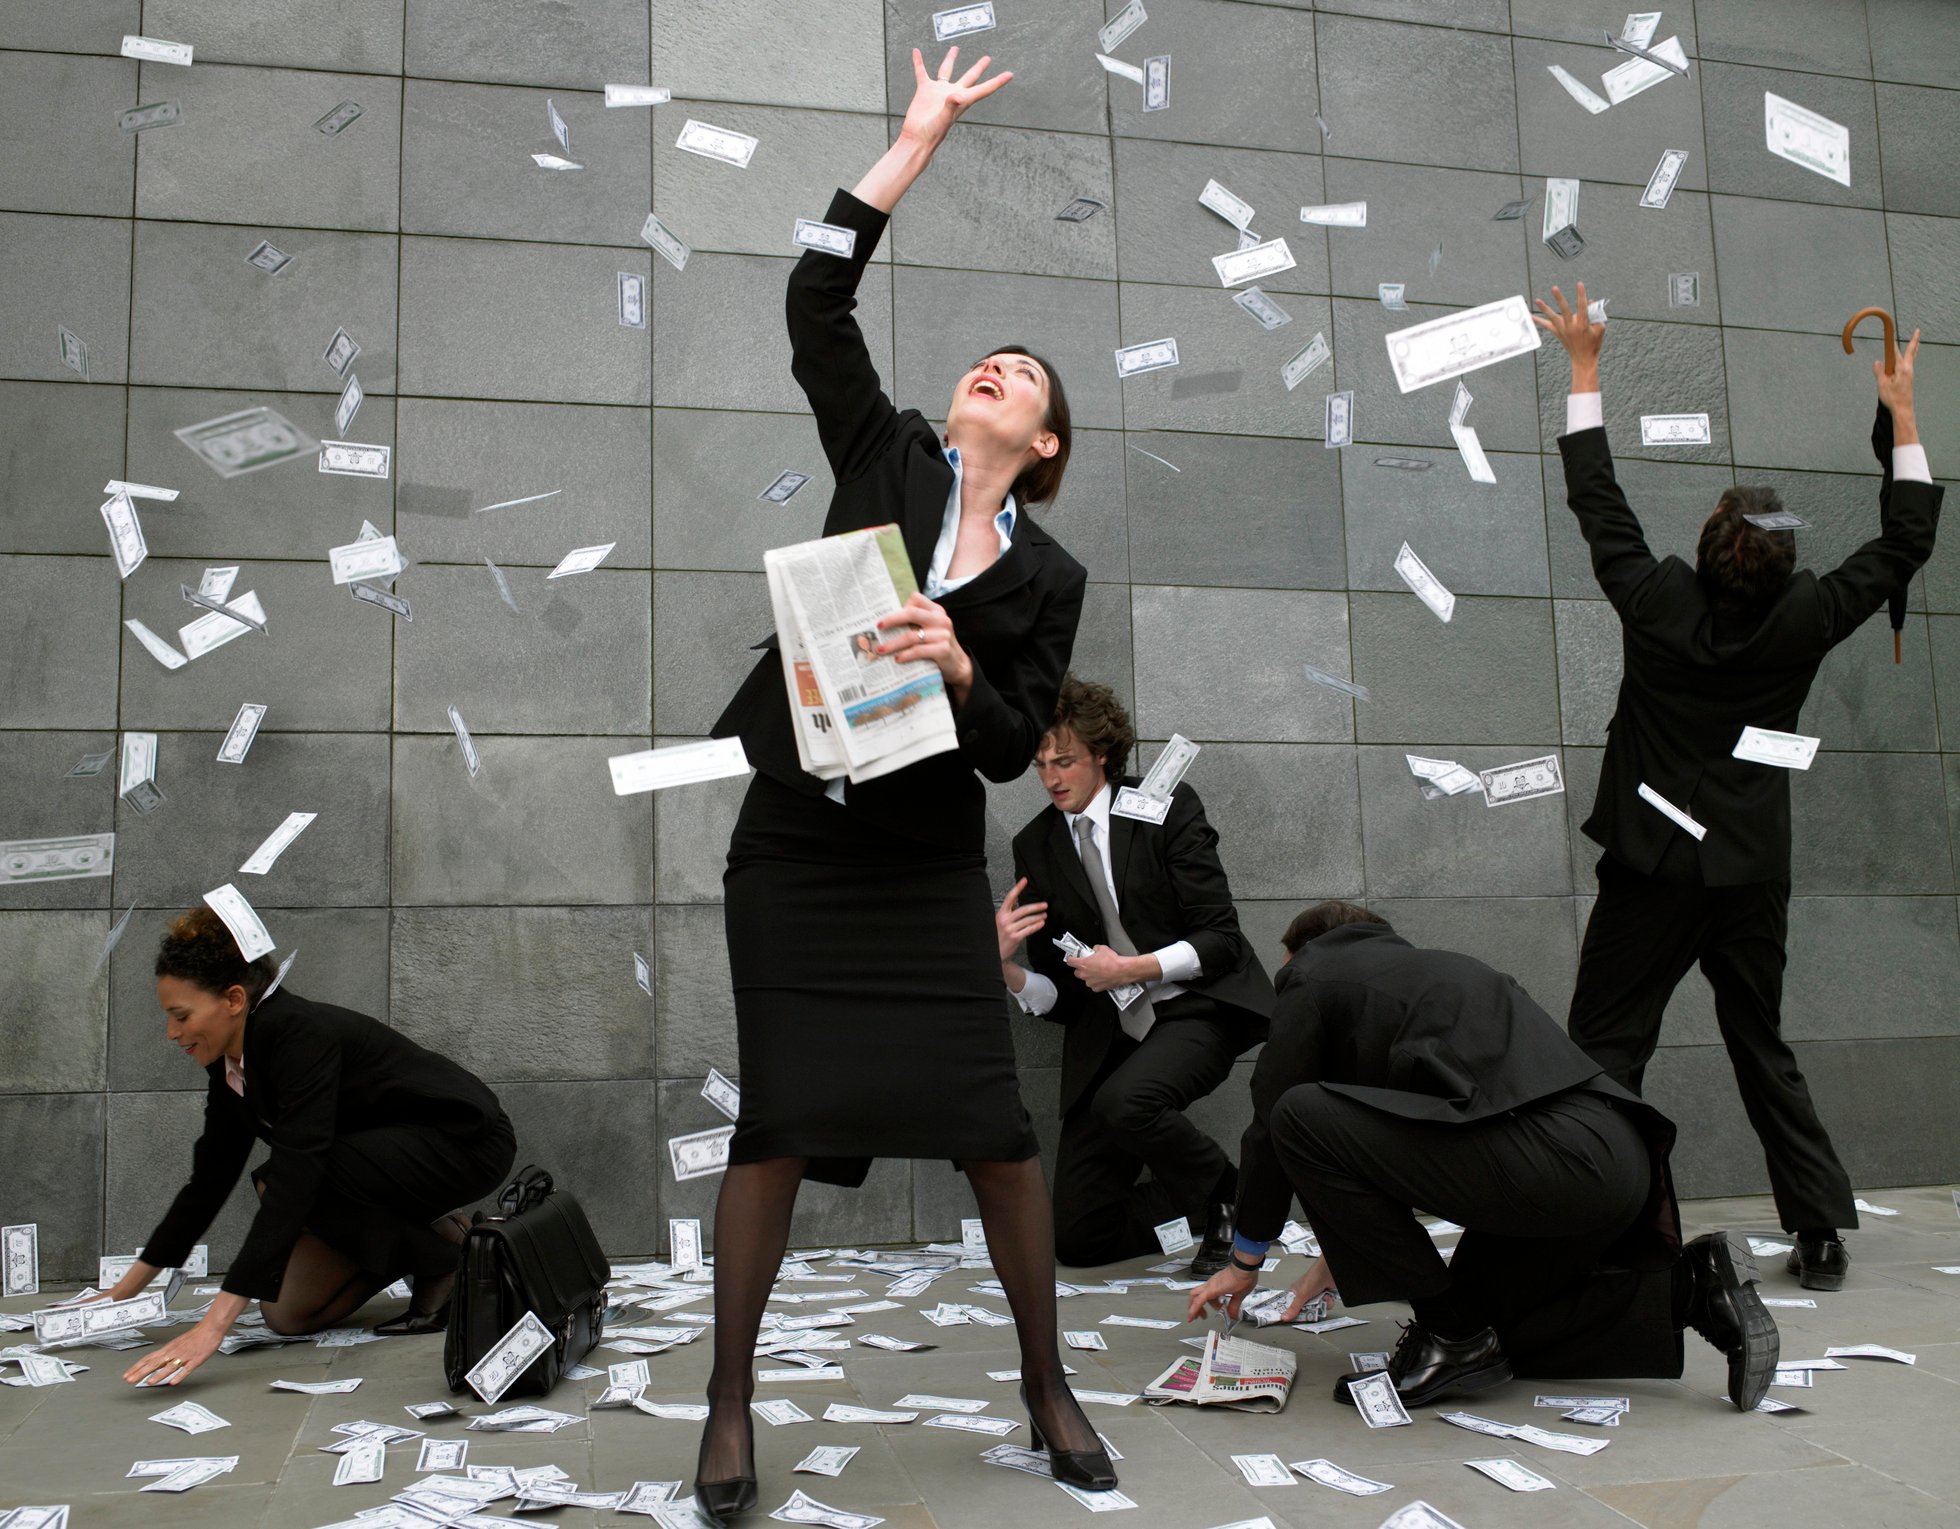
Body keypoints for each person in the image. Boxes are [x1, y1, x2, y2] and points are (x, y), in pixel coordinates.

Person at [699, 46, 1110, 1521]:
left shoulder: (1050, 573)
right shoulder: (887, 453)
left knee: (997, 1131)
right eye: (987, 359)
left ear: (1044, 443)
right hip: (800, 844)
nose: (996, 367)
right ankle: (731, 1403)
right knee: (778, 1121)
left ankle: (1046, 1380)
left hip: (927, 860)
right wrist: (914, 139)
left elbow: (1017, 746)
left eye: (1027, 377)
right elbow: (814, 300)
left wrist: (953, 668)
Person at [1536, 283, 1942, 1292]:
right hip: (1750, 870)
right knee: (1759, 1041)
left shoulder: (1657, 600)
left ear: (1710, 550)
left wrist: (1584, 368)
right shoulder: (1804, 617)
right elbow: (1904, 543)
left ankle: (1591, 1218)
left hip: (1648, 869)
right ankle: (1817, 1232)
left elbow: (1599, 502)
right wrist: (1899, 412)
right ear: (1779, 565)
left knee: (1604, 1047)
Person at [1187, 902, 1780, 1414]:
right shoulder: (1442, 976)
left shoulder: (1312, 975)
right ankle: (1695, 1288)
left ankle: (1450, 1340)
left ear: (1297, 952)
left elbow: (1272, 1127)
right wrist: (1346, 1245)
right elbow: (1407, 1142)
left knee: (1297, 1112)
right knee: (1486, 1334)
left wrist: (1246, 1259)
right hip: (1617, 1161)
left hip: (1550, 1160)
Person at [110, 907, 516, 1388]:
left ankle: (444, 1261)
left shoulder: (297, 1033)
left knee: (280, 1178)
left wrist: (212, 1327)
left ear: (234, 999)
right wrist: (124, 1292)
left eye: (181, 1016)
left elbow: (300, 1172)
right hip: (378, 1165)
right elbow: (211, 1177)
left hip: (464, 1143)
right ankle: (437, 1242)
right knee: (289, 1314)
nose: (172, 1033)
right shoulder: (229, 1064)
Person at [997, 676, 1273, 1277]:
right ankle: (1207, 1205)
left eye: (1064, 761)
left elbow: (1222, 939)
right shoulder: (1035, 844)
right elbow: (1066, 996)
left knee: (1130, 1102)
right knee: (1078, 1237)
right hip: (1109, 1030)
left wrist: (1134, 967)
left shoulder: (1164, 805)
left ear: (1101, 752)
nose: (1051, 778)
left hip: (1195, 1005)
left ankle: (1235, 1196)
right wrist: (1006, 968)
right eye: (1041, 765)